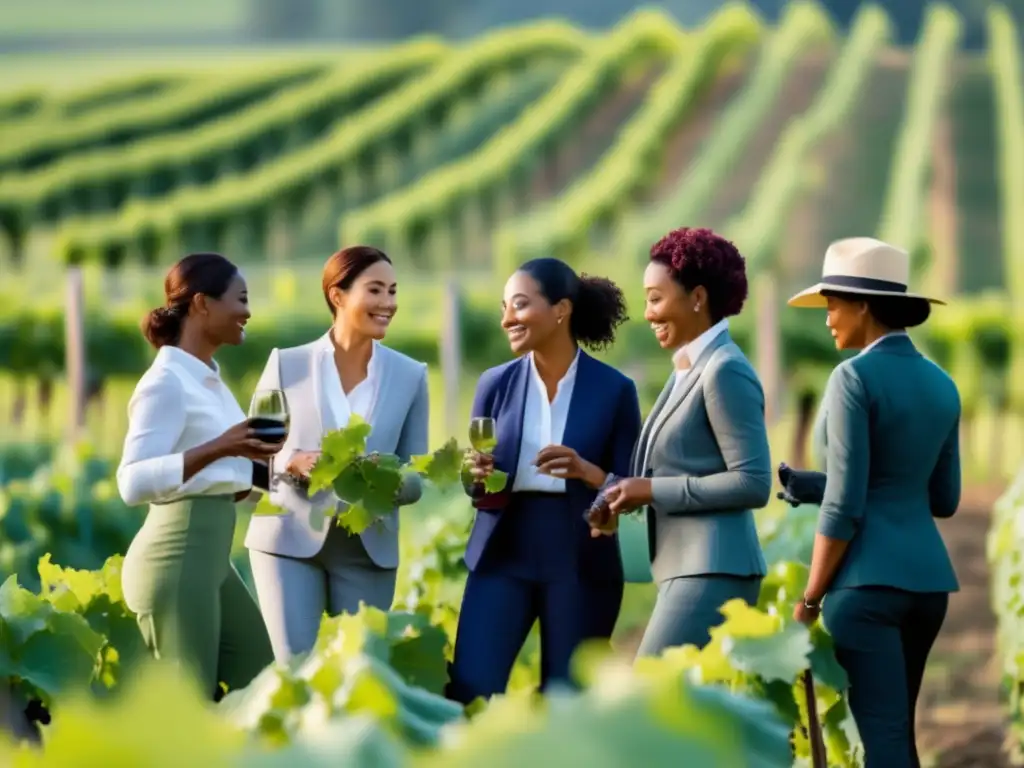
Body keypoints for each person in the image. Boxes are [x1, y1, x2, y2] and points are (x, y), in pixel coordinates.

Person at [786, 237, 959, 767]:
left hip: (865, 589)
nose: (828, 318)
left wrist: (811, 598)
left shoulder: (851, 377)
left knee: (881, 740)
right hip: (928, 585)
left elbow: (846, 508)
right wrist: (816, 485)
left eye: (832, 304)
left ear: (863, 304)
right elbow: (942, 498)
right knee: (897, 731)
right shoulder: (943, 384)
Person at [446, 257, 641, 704]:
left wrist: (584, 470)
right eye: (503, 307)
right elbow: (478, 484)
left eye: (518, 304)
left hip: (580, 555)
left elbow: (630, 484)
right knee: (470, 691)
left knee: (567, 700)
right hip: (503, 551)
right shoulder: (494, 384)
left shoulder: (614, 390)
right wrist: (474, 476)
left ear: (561, 310)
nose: (506, 318)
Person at [245, 246, 429, 663]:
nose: (388, 303)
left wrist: (381, 477)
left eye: (393, 291)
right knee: (294, 671)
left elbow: (417, 475)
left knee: (360, 671)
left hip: (369, 549)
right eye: (376, 290)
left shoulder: (410, 375)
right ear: (338, 295)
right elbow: (251, 456)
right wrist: (291, 462)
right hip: (287, 539)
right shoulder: (285, 365)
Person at [603, 226, 771, 657]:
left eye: (656, 298)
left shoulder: (723, 370)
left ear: (697, 298)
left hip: (713, 568)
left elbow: (753, 481)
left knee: (650, 708)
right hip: (687, 568)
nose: (647, 313)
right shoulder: (689, 369)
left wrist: (653, 490)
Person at [116, 252, 276, 700]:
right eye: (240, 299)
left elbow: (224, 481)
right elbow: (132, 481)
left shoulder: (209, 379)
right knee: (190, 706)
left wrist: (282, 469)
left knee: (262, 682)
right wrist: (223, 445)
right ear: (202, 304)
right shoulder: (165, 381)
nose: (247, 312)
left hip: (210, 561)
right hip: (176, 559)